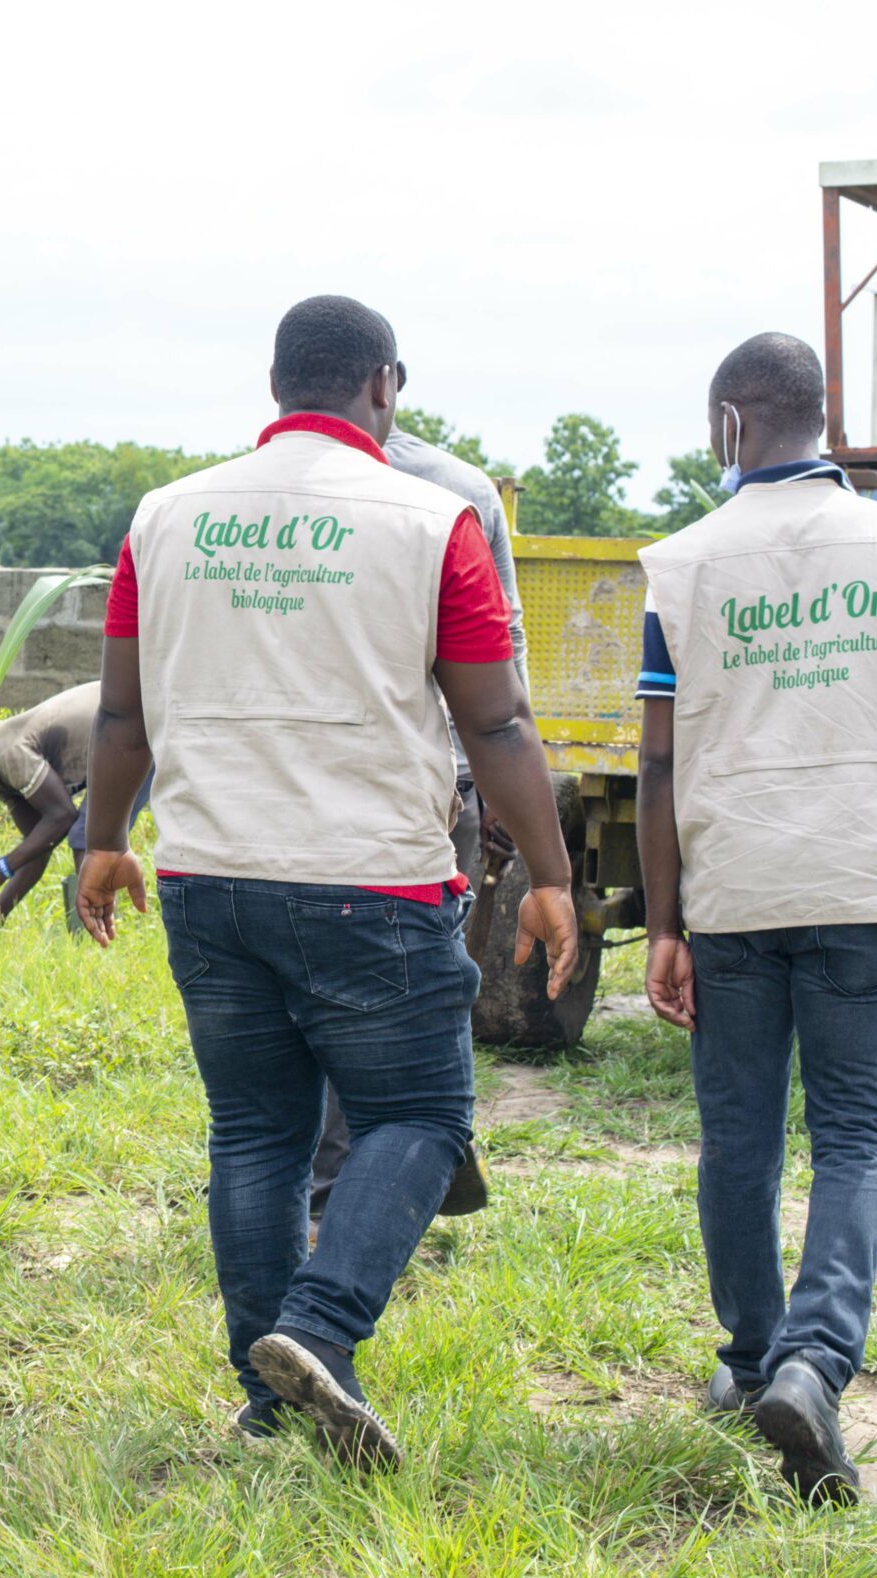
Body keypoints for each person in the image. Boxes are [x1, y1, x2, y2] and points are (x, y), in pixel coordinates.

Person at [75, 295, 581, 1471]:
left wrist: (104, 838)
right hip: (372, 883)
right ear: (384, 387)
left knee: (255, 1130)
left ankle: (272, 1400)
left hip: (209, 875)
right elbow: (493, 715)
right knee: (421, 1113)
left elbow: (119, 706)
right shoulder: (433, 521)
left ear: (274, 386)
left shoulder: (165, 517)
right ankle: (316, 1327)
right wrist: (548, 872)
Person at [638, 332, 877, 1503]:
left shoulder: (681, 563)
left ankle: (751, 1362)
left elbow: (655, 762)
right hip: (864, 882)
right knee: (855, 1136)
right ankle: (814, 1359)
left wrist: (663, 922)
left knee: (738, 1137)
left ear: (728, 424)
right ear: (817, 412)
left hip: (736, 889)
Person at [308, 411, 529, 1227]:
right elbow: (504, 661)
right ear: (384, 382)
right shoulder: (459, 490)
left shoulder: (274, 491)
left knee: (324, 992)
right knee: (431, 985)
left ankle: (359, 1175)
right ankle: (421, 1150)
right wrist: (504, 787)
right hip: (439, 781)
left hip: (311, 781)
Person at [0, 679, 154, 925]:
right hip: (114, 731)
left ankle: (95, 937)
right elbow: (37, 849)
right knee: (80, 835)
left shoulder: (6, 753)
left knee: (87, 835)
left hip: (135, 736)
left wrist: (2, 867)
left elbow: (62, 817)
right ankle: (90, 931)